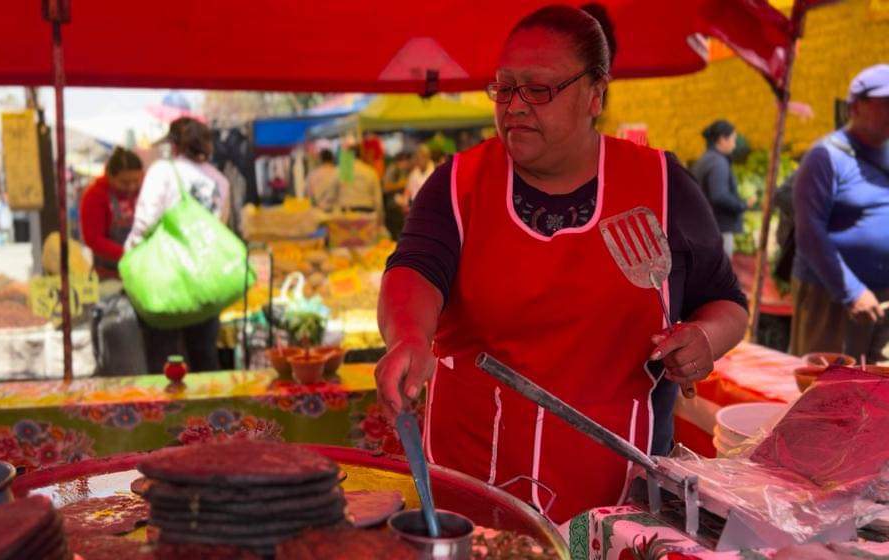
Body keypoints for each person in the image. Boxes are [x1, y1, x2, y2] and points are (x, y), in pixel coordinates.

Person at [376, 5, 748, 522]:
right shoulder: (458, 184)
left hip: (620, 502)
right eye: (505, 89)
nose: (515, 106)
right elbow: (414, 269)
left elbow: (727, 302)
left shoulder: (664, 187)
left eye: (538, 89)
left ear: (595, 94)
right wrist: (409, 337)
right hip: (474, 490)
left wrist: (705, 338)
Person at [790, 64, 889, 364]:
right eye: (886, 104)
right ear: (855, 107)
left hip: (882, 296)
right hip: (831, 298)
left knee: (875, 384)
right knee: (826, 383)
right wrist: (852, 291)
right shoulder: (825, 158)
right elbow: (809, 233)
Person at [125, 117, 230, 373]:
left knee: (165, 359)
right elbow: (221, 228)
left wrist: (129, 259)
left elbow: (144, 224)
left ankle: (169, 399)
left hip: (167, 279)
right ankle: (209, 399)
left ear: (173, 145)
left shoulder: (162, 172)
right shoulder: (220, 181)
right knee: (204, 356)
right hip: (206, 281)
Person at [79, 147, 143, 279]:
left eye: (136, 181)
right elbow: (93, 239)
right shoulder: (95, 196)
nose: (131, 187)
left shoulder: (145, 190)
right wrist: (128, 254)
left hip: (142, 270)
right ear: (110, 176)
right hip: (109, 274)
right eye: (125, 183)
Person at [691, 120, 746, 257]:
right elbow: (719, 195)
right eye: (733, 139)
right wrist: (741, 204)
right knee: (721, 267)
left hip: (705, 227)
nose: (734, 144)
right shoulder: (718, 163)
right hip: (719, 228)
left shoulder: (705, 159)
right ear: (722, 139)